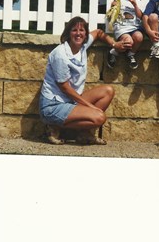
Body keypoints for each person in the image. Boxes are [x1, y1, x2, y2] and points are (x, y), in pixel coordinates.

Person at [39, 16, 127, 145]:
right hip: (53, 105)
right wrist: (90, 106)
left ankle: (84, 135)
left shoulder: (83, 46)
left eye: (82, 30)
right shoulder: (60, 54)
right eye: (74, 30)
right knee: (99, 117)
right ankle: (53, 126)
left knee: (108, 91)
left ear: (85, 33)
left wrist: (114, 44)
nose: (78, 33)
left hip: (70, 101)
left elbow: (98, 33)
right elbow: (65, 88)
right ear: (68, 33)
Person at [106, 0, 145, 70]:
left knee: (139, 37)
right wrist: (113, 6)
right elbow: (111, 16)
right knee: (128, 41)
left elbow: (141, 17)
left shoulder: (139, 2)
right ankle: (113, 52)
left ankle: (131, 54)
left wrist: (135, 5)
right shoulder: (119, 1)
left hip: (134, 27)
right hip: (122, 28)